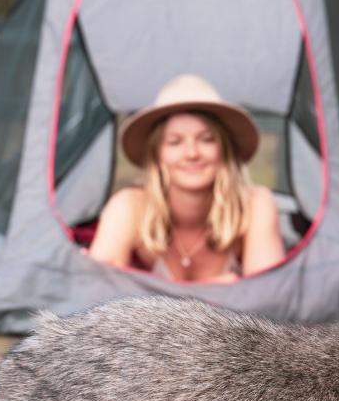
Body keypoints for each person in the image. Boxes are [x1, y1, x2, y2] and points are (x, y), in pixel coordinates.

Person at [89, 74, 285, 282]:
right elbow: (95, 287)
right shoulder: (129, 205)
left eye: (206, 139)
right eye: (175, 142)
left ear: (225, 150)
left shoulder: (256, 204)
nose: (191, 153)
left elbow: (267, 294)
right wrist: (218, 287)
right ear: (157, 155)